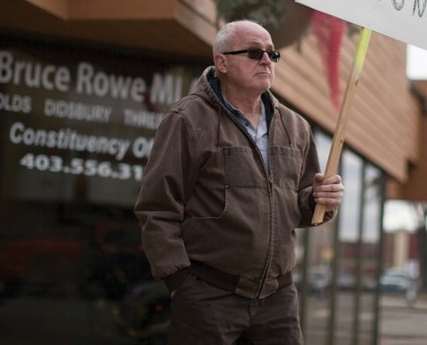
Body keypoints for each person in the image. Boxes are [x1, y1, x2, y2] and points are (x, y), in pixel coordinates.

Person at [134, 19, 344, 344]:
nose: (266, 60)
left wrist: (321, 200)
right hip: (209, 294)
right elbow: (157, 207)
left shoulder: (296, 127)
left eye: (272, 54)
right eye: (254, 52)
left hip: (278, 298)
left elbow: (301, 204)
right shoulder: (187, 120)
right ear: (222, 62)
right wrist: (180, 282)